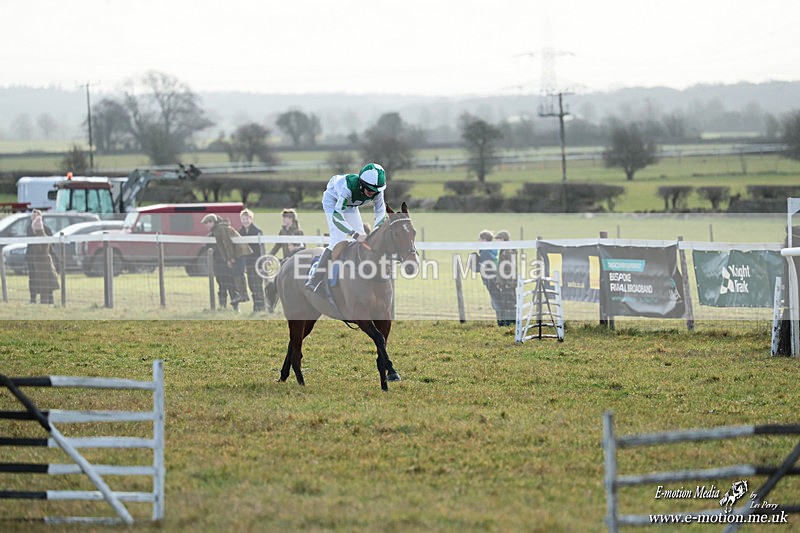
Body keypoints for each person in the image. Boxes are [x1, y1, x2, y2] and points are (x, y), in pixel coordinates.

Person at [304, 163, 387, 292]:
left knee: (362, 240)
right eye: (370, 190)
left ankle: (357, 274)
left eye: (376, 191)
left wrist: (376, 232)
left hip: (350, 205)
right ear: (362, 184)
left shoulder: (377, 191)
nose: (373, 194)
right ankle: (315, 279)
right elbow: (337, 217)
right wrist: (354, 234)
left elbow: (380, 213)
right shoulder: (348, 187)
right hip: (333, 202)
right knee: (338, 240)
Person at [202, 214, 252, 306]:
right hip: (235, 252)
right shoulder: (217, 229)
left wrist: (230, 258)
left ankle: (243, 294)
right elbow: (222, 246)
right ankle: (242, 294)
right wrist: (228, 258)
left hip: (239, 251)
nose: (205, 226)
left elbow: (227, 243)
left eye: (207, 223)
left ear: (212, 222)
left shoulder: (221, 228)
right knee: (236, 273)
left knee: (238, 273)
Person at [265, 209, 305, 312]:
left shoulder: (298, 232)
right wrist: (270, 256)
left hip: (295, 262)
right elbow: (277, 245)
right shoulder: (282, 232)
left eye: (285, 218)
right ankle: (272, 304)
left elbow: (303, 248)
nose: (283, 220)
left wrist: (294, 250)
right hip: (285, 262)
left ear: (291, 219)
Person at [27, 211, 59, 304]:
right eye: (32, 217)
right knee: (34, 279)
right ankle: (33, 299)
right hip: (33, 258)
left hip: (42, 260)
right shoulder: (30, 228)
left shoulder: (45, 230)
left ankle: (48, 299)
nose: (33, 219)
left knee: (45, 279)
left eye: (35, 217)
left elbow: (47, 247)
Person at [471, 229, 502, 324]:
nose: (478, 241)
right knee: (497, 299)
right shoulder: (492, 250)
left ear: (484, 240)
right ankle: (502, 320)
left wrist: (472, 265)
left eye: (479, 239)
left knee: (496, 301)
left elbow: (481, 268)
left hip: (490, 279)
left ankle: (501, 321)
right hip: (495, 277)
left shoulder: (485, 252)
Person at [238, 208, 266, 312]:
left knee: (257, 284)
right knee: (251, 285)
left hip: (257, 262)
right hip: (247, 262)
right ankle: (255, 306)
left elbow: (262, 249)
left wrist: (262, 263)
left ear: (251, 219)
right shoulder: (240, 232)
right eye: (243, 219)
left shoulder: (257, 231)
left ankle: (261, 306)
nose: (245, 221)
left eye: (247, 219)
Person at [493, 230, 517, 326]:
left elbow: (510, 268)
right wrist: (499, 282)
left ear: (503, 239)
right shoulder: (503, 250)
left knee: (510, 302)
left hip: (508, 282)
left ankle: (512, 322)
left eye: (498, 239)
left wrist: (508, 283)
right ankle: (508, 321)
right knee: (505, 301)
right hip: (504, 282)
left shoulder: (508, 251)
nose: (496, 241)